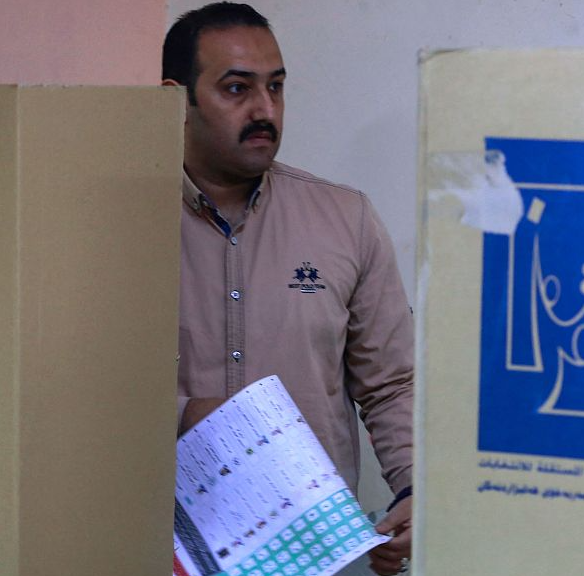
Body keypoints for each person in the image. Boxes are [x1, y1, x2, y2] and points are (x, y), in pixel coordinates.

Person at [163, 4, 413, 575]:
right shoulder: (112, 228)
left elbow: (393, 384)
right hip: (164, 552)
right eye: (236, 89)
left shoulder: (344, 219)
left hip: (315, 555)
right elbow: (74, 392)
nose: (265, 110)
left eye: (275, 87)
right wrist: (184, 416)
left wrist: (414, 490)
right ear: (175, 99)